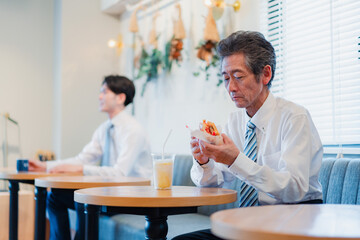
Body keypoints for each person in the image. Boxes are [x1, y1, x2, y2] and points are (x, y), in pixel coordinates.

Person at [174, 31, 323, 239]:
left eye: (238, 77)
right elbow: (212, 184)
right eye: (226, 78)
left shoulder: (294, 117)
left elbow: (293, 189)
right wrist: (204, 161)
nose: (231, 88)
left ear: (266, 74)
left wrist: (235, 160)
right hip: (249, 223)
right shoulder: (235, 122)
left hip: (294, 222)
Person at [29, 75, 152, 240]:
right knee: (55, 197)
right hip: (113, 192)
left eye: (104, 92)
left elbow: (121, 174)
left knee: (84, 199)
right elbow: (83, 159)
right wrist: (46, 166)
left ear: (120, 98)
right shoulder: (105, 129)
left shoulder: (133, 130)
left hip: (133, 197)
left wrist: (81, 169)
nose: (99, 96)